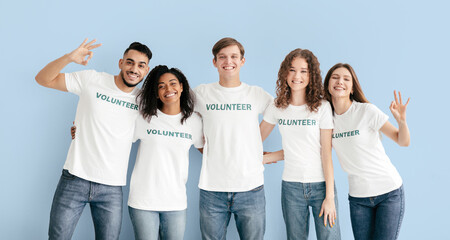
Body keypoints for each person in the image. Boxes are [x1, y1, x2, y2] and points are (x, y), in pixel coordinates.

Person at [35, 39, 152, 240]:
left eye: (141, 65)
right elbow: (43, 79)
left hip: (112, 187)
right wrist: (69, 58)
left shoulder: (144, 102)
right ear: (120, 63)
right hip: (75, 177)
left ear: (146, 70)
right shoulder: (92, 80)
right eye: (130, 62)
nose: (134, 69)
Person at [194, 37, 273, 240]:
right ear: (215, 62)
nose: (228, 61)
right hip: (212, 189)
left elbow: (280, 113)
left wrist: (256, 143)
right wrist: (204, 146)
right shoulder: (201, 93)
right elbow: (179, 116)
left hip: (251, 188)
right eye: (222, 57)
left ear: (242, 61)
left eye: (234, 56)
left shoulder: (255, 94)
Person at [260, 49, 341, 240]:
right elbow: (254, 140)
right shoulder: (277, 107)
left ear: (311, 75)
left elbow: (325, 153)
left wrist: (329, 197)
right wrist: (265, 157)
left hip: (321, 185)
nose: (297, 76)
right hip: (291, 187)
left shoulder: (322, 107)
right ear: (284, 73)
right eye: (292, 70)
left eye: (304, 71)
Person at [323, 63, 410, 240]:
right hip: (358, 199)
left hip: (389, 193)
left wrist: (402, 121)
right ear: (328, 84)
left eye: (346, 79)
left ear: (352, 87)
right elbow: (322, 154)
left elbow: (403, 141)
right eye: (335, 77)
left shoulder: (366, 111)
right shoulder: (326, 118)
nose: (340, 81)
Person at [127, 65, 203, 240]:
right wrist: (80, 130)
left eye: (173, 83)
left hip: (175, 202)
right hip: (143, 201)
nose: (168, 89)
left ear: (182, 87)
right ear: (156, 93)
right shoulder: (144, 118)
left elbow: (208, 152)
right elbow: (115, 138)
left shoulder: (194, 121)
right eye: (161, 86)